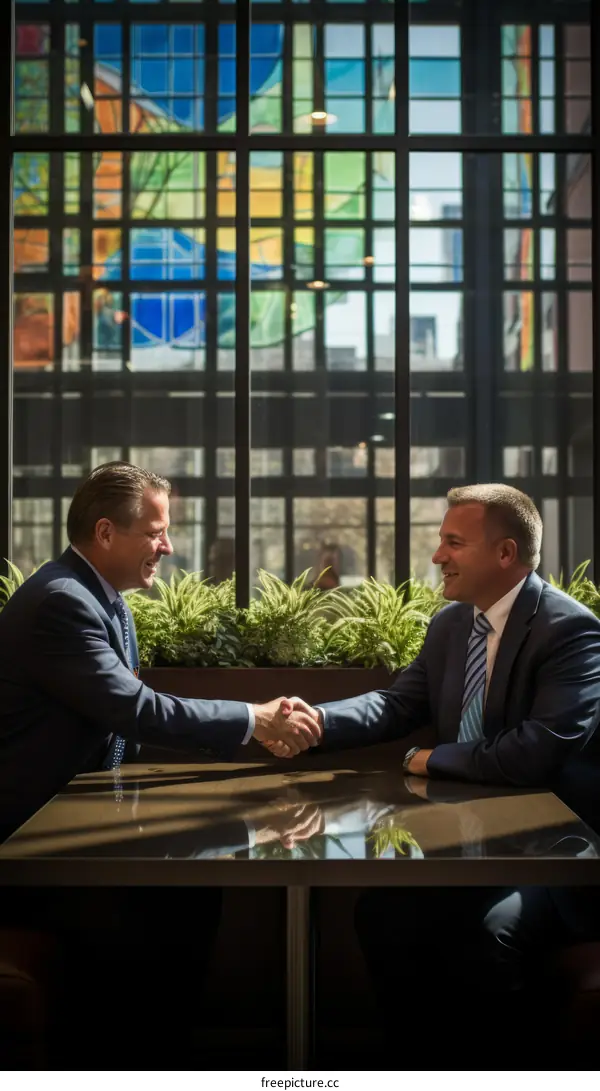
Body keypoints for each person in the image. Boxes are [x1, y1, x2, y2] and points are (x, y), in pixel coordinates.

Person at [280, 484, 600, 1064]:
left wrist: (433, 759)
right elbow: (398, 705)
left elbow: (538, 750)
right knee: (381, 915)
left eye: (453, 542)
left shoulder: (569, 631)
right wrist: (317, 721)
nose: (437, 556)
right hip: (466, 845)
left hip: (552, 857)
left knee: (487, 938)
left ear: (505, 554)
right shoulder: (452, 625)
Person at [0, 461, 320, 842]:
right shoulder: (63, 602)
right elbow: (137, 710)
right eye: (156, 533)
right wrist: (256, 720)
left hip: (84, 816)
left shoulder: (100, 598)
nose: (167, 547)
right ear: (105, 532)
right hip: (33, 833)